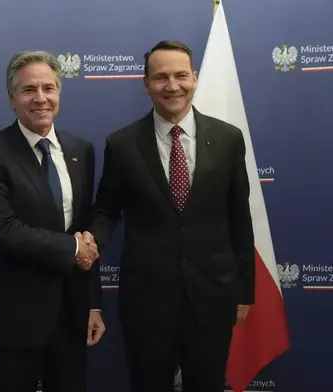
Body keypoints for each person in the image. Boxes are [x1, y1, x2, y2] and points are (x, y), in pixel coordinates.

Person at [83, 40, 255, 392]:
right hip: (147, 298)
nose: (172, 86)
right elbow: (106, 210)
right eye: (160, 77)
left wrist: (244, 291)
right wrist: (91, 239)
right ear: (146, 84)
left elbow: (240, 217)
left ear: (194, 78)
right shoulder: (122, 144)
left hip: (212, 295)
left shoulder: (228, 138)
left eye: (180, 76)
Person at [0, 50, 105, 392]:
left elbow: (85, 228)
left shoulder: (81, 149)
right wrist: (73, 246)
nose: (41, 98)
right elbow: (2, 228)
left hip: (71, 314)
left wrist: (92, 303)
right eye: (29, 89)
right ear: (12, 98)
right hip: (14, 315)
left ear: (59, 93)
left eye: (49, 88)